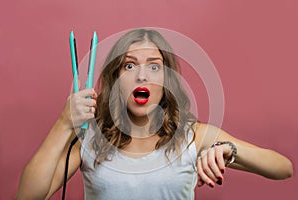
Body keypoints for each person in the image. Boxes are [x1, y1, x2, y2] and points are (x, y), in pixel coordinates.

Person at [16, 28, 293, 200]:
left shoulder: (192, 135)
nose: (141, 75)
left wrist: (227, 148)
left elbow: (283, 168)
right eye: (129, 66)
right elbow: (27, 197)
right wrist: (64, 123)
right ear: (116, 80)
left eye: (154, 66)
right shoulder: (91, 139)